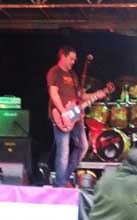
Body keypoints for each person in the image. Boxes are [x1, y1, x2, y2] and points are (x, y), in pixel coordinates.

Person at [47, 46, 107, 187]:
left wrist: (97, 94)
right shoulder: (55, 72)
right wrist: (63, 112)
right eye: (71, 58)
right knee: (64, 150)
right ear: (63, 56)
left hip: (76, 116)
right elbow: (53, 93)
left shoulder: (73, 75)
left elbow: (80, 96)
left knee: (83, 146)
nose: (73, 62)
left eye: (75, 59)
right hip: (61, 116)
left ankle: (65, 177)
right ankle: (60, 185)